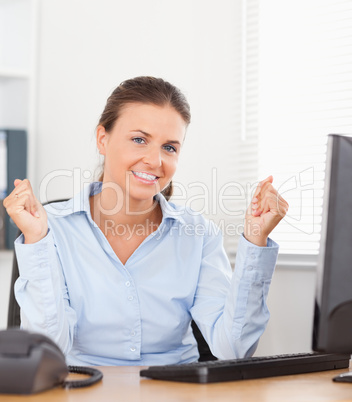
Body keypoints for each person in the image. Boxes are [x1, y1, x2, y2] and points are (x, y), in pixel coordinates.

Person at [3, 76, 288, 366]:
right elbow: (50, 349)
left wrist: (255, 240)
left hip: (175, 391)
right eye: (139, 140)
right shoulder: (53, 229)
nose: (155, 161)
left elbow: (233, 350)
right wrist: (37, 240)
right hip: (85, 389)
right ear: (103, 139)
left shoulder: (198, 234)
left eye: (170, 148)